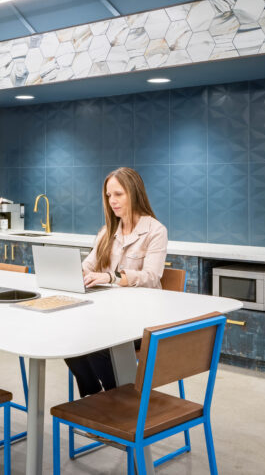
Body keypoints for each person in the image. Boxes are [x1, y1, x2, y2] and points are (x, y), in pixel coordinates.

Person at [66, 167, 168, 397]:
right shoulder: (107, 231)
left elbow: (152, 277)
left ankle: (120, 402)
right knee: (69, 339)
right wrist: (73, 273)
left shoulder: (155, 231)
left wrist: (113, 277)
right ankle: (93, 398)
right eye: (108, 195)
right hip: (107, 314)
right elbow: (89, 265)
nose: (112, 200)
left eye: (118, 194)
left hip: (140, 320)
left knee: (99, 346)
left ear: (134, 192)